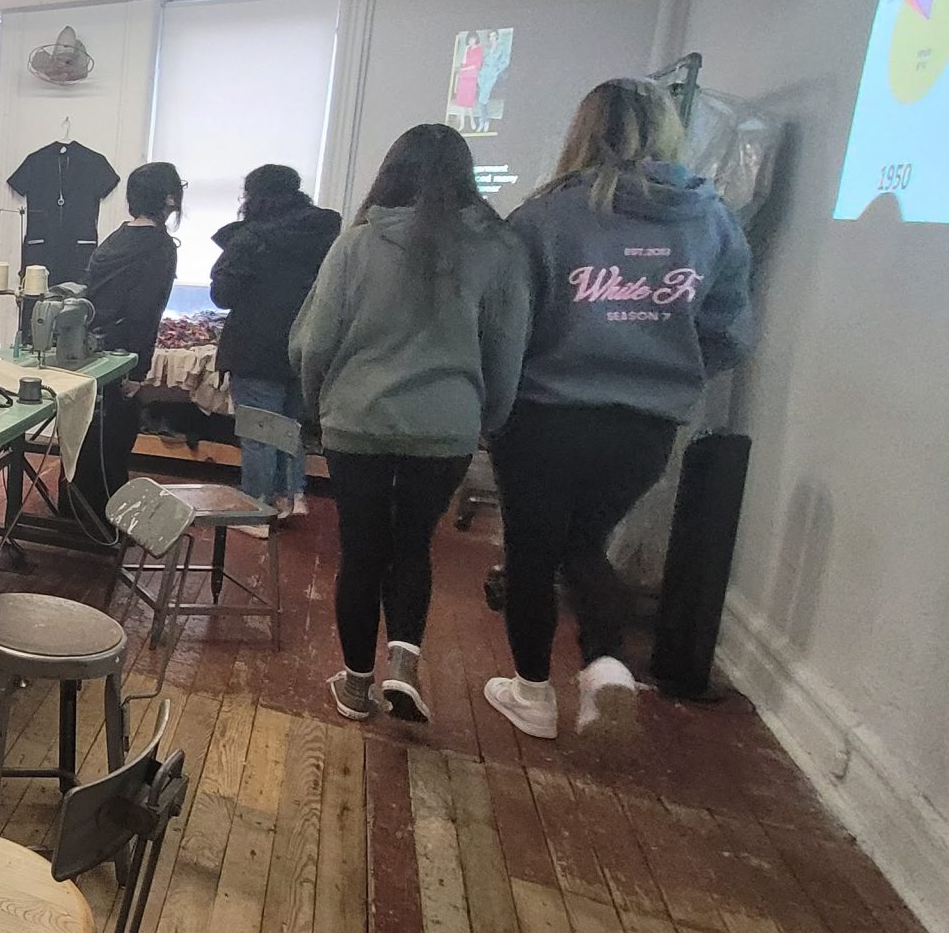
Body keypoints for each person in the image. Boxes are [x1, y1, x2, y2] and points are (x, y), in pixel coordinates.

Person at [487, 78, 754, 740]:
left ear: (584, 129)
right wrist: (668, 372)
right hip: (646, 425)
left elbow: (504, 324)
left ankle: (532, 694)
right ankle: (606, 663)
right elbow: (729, 330)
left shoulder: (545, 217)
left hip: (545, 415)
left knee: (533, 553)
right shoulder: (711, 219)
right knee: (584, 543)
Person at [289, 126, 529, 723]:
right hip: (446, 425)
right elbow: (506, 349)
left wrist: (315, 406)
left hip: (358, 419)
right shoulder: (498, 249)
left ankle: (356, 683)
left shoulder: (357, 244)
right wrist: (488, 418)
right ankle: (404, 662)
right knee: (414, 544)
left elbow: (317, 341)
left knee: (361, 549)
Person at [210, 164, 340, 516]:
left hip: (256, 346)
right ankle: (292, 495)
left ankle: (255, 507)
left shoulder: (253, 237)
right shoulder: (326, 234)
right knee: (289, 426)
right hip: (306, 345)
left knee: (258, 432)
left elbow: (222, 293)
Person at [80, 161, 183, 514]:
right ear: (169, 198)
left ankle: (78, 513)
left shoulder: (115, 238)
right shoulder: (159, 247)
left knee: (88, 440)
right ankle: (104, 523)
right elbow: (145, 312)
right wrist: (136, 372)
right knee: (114, 443)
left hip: (90, 352)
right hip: (121, 358)